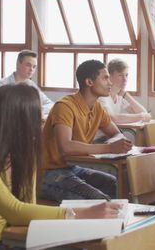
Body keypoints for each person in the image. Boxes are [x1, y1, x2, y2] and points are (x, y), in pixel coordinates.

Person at [0, 84, 121, 250]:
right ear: (18, 122)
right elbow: (14, 210)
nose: (40, 124)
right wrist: (81, 213)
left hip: (16, 237)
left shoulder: (22, 153)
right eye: (36, 118)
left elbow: (27, 203)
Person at [40, 60, 133, 202]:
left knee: (117, 185)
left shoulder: (97, 107)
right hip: (49, 172)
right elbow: (66, 147)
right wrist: (109, 147)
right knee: (99, 199)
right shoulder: (65, 106)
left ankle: (117, 223)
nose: (110, 83)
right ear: (89, 82)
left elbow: (116, 134)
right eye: (105, 78)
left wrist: (117, 143)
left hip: (73, 168)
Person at [0, 50, 53, 114]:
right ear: (18, 64)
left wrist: (39, 110)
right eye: (28, 65)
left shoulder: (32, 85)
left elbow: (50, 104)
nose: (31, 69)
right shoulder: (2, 84)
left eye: (34, 66)